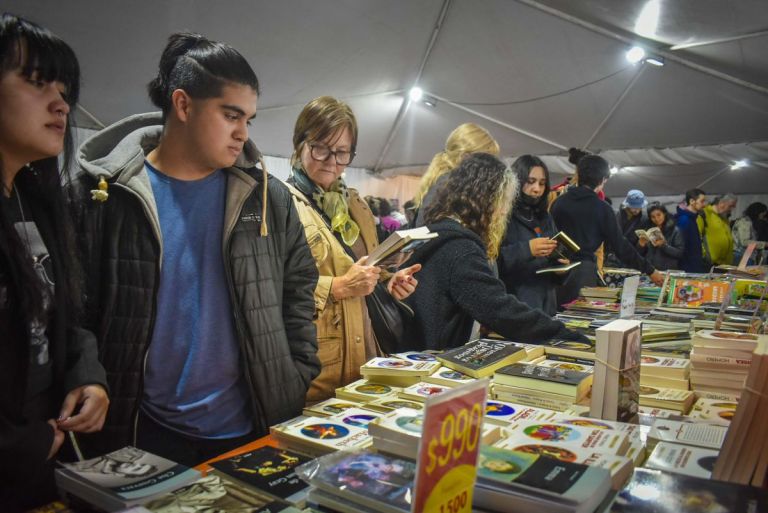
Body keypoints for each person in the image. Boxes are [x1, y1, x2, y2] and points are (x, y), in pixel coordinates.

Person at [74, 33, 320, 466]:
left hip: (255, 420)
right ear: (183, 105)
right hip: (142, 428)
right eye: (230, 115)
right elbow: (77, 305)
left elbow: (300, 285)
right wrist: (90, 376)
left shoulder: (266, 196)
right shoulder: (109, 195)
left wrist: (295, 372)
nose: (242, 133)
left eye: (249, 119)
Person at [0, 13, 109, 510]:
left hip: (47, 463)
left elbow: (62, 315)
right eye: (37, 82)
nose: (61, 103)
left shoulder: (36, 201)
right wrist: (16, 446)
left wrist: (87, 374)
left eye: (64, 88)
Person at [285, 96, 421, 403]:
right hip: (320, 366)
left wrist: (387, 282)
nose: (332, 161)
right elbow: (275, 288)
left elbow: (365, 269)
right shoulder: (283, 204)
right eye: (321, 148)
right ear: (299, 144)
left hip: (367, 357)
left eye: (342, 152)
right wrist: (339, 287)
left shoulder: (356, 205)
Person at [404, 153, 587, 350]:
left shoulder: (441, 230)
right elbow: (499, 309)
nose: (502, 212)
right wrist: (564, 335)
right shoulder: (460, 249)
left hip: (420, 351)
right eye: (503, 201)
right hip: (432, 357)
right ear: (484, 199)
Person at [551, 154, 663, 305]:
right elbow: (621, 247)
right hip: (584, 272)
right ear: (602, 179)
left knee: (560, 318)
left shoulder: (558, 203)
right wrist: (650, 270)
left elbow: (549, 237)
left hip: (558, 272)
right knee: (580, 320)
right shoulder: (602, 208)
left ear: (579, 175)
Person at [498, 155, 567, 316]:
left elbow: (554, 256)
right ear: (517, 180)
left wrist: (561, 269)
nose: (537, 189)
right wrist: (527, 249)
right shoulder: (501, 216)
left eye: (542, 183)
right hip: (515, 309)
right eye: (531, 181)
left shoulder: (545, 217)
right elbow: (492, 262)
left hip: (546, 308)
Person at [413, 123, 499, 226]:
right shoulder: (450, 187)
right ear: (465, 157)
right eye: (485, 161)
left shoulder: (442, 181)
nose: (489, 169)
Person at [606, 189, 648, 266]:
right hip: (612, 258)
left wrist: (640, 246)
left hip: (632, 258)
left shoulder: (644, 219)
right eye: (634, 207)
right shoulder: (614, 215)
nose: (636, 210)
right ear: (627, 205)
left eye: (639, 207)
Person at [638, 203, 684, 271]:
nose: (656, 219)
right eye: (653, 217)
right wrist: (641, 246)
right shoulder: (648, 230)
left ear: (664, 214)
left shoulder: (675, 231)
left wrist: (664, 246)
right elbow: (642, 253)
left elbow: (680, 253)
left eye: (659, 215)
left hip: (668, 271)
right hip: (651, 270)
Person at [698, 193, 737, 266]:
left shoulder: (724, 218)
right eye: (731, 206)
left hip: (724, 265)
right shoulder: (704, 214)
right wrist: (704, 256)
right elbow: (697, 236)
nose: (732, 209)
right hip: (709, 264)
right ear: (721, 203)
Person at [676, 188, 708, 272]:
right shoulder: (684, 220)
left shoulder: (692, 219)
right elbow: (681, 247)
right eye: (702, 201)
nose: (704, 205)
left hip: (694, 266)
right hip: (688, 269)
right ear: (692, 201)